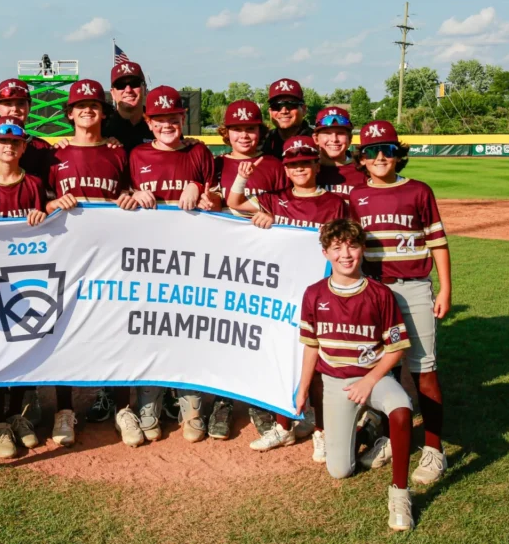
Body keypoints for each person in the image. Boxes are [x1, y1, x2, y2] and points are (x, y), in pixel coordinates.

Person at [226, 135, 349, 454]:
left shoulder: (335, 203)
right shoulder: (274, 198)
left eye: (306, 162)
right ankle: (283, 426)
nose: (300, 168)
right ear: (285, 167)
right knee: (283, 358)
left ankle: (321, 429)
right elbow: (235, 203)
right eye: (293, 164)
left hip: (321, 295)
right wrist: (243, 176)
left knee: (319, 366)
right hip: (282, 293)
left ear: (315, 165)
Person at [295, 219, 416, 531]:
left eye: (352, 246)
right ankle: (369, 430)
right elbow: (311, 347)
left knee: (402, 410)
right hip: (336, 383)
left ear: (362, 249)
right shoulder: (313, 294)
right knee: (340, 470)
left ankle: (400, 494)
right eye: (337, 248)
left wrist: (370, 380)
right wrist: (303, 388)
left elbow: (396, 349)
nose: (345, 254)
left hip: (372, 378)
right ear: (325, 253)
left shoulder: (380, 294)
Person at [349, 120, 451, 486]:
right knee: (385, 370)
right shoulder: (355, 196)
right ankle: (393, 439)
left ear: (399, 154)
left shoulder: (419, 191)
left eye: (388, 150)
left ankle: (435, 448)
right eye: (373, 151)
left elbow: (437, 243)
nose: (381, 156)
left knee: (424, 369)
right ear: (361, 159)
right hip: (374, 290)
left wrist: (444, 289)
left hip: (413, 287)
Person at [45, 79, 141, 446]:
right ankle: (64, 411)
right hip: (66, 256)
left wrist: (130, 198)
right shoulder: (55, 155)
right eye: (80, 106)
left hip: (110, 257)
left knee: (118, 328)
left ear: (104, 112)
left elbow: (129, 192)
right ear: (69, 114)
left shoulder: (119, 152)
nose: (87, 111)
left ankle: (121, 407)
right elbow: (42, 203)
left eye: (94, 106)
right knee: (63, 330)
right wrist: (53, 205)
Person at [127, 85, 219, 444]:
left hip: (193, 260)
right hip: (149, 260)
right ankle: (148, 401)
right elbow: (120, 196)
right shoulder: (136, 155)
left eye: (174, 117)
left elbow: (217, 198)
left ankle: (190, 402)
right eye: (160, 119)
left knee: (189, 329)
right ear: (149, 122)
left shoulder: (199, 152)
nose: (167, 124)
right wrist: (133, 194)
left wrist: (203, 190)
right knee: (150, 330)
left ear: (183, 118)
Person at [206, 99, 288, 441]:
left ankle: (258, 401)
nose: (244, 134)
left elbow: (288, 205)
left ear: (260, 131)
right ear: (226, 132)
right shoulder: (214, 163)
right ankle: (223, 402)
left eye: (251, 128)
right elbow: (207, 201)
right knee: (224, 332)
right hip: (223, 262)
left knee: (259, 331)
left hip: (266, 263)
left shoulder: (275, 164)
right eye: (237, 128)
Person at [0, 116, 48, 457]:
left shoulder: (33, 183)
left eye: (16, 142)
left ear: (23, 147)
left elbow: (47, 221)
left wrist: (44, 213)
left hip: (24, 274)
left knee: (23, 342)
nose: (9, 146)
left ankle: (18, 416)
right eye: (2, 141)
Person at [0, 78, 54, 185]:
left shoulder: (43, 148)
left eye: (20, 104)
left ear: (29, 107)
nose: (14, 109)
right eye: (8, 103)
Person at [313, 107, 367, 203]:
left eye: (340, 133)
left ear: (350, 139)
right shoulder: (307, 170)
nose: (334, 139)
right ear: (316, 139)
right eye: (327, 133)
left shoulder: (364, 171)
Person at [103, 61, 154, 151]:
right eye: (120, 85)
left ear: (144, 89)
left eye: (134, 83)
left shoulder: (159, 123)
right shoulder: (102, 127)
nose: (128, 90)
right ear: (112, 93)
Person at [262, 78, 315, 158]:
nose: (284, 111)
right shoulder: (263, 142)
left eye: (290, 105)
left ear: (304, 110)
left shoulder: (317, 141)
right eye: (276, 106)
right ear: (270, 112)